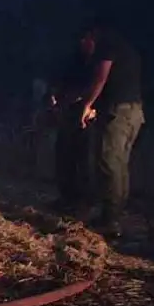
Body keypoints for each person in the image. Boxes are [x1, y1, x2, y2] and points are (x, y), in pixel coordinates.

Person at [74, 20, 144, 239]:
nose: (83, 48)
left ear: (90, 35)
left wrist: (87, 104)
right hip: (132, 111)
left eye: (83, 42)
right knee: (118, 164)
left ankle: (111, 220)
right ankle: (112, 214)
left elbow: (100, 78)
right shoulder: (125, 48)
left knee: (108, 162)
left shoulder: (108, 45)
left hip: (118, 113)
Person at [46, 44, 95, 217]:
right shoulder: (74, 61)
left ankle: (82, 201)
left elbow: (94, 88)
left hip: (85, 114)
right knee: (64, 155)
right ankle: (67, 198)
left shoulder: (96, 64)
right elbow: (59, 83)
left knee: (82, 158)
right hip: (68, 111)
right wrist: (55, 96)